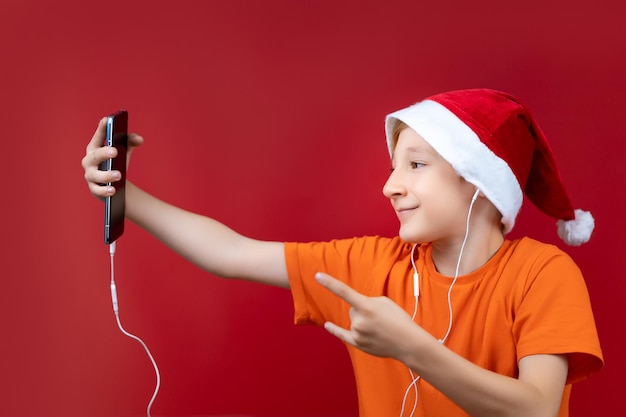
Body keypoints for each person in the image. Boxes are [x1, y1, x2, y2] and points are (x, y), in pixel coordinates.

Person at [82, 89, 603, 417]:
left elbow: (536, 408)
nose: (390, 187)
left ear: (482, 183)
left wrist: (411, 348)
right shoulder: (371, 267)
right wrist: (126, 194)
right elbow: (230, 252)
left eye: (416, 165)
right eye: (393, 167)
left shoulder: (543, 274)